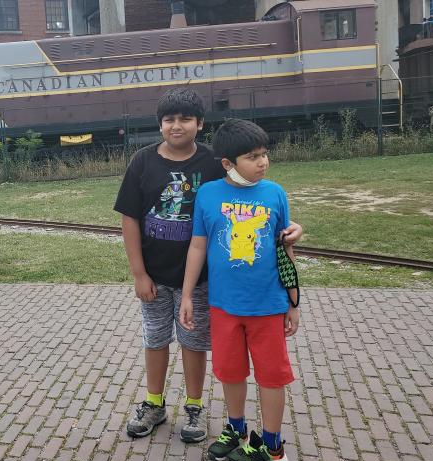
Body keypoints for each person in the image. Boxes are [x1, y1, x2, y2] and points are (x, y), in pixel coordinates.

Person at [113, 89, 302, 442]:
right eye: (169, 119)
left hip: (201, 280)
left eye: (186, 118)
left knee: (193, 341)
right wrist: (138, 273)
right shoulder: (142, 161)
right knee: (155, 339)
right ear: (160, 124)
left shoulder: (215, 161)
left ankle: (195, 407)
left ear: (200, 124)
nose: (177, 125)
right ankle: (154, 402)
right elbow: (129, 219)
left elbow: (251, 194)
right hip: (154, 276)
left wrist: (290, 228)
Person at [179, 118, 299, 461]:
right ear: (228, 163)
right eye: (253, 156)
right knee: (231, 372)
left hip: (267, 305)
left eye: (265, 154)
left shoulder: (274, 193)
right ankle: (237, 429)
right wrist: (187, 295)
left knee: (271, 376)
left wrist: (294, 303)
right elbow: (197, 247)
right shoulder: (209, 194)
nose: (263, 162)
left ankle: (274, 447)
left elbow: (285, 250)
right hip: (224, 306)